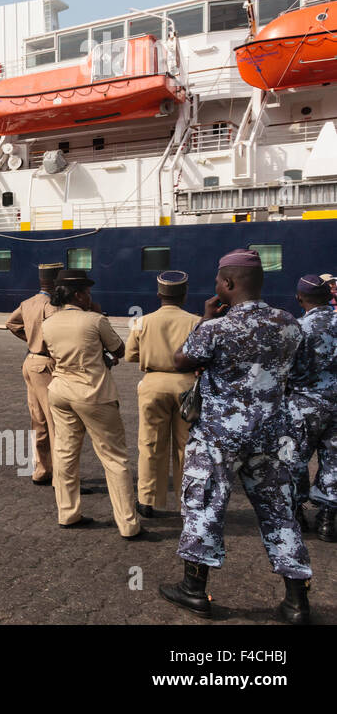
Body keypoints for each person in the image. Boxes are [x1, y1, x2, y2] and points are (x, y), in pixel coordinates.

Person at [159, 248, 311, 624]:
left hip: (218, 437)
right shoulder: (290, 322)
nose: (216, 287)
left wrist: (206, 320)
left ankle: (194, 592)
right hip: (272, 436)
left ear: (227, 284)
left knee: (206, 505)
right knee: (279, 512)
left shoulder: (216, 327)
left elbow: (181, 360)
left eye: (217, 282)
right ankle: (296, 602)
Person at [41, 268, 143, 538]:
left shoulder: (48, 322)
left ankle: (68, 513)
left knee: (64, 452)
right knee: (114, 457)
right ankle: (128, 524)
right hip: (93, 394)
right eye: (87, 292)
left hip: (60, 391)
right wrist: (97, 315)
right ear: (79, 294)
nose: (90, 296)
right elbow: (120, 349)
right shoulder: (94, 320)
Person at [124, 271, 200, 517]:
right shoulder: (196, 321)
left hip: (153, 384)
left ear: (159, 294)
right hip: (186, 386)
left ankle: (147, 500)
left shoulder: (141, 322)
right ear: (185, 295)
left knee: (150, 443)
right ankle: (185, 501)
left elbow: (129, 355)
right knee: (186, 446)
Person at [287, 274, 337, 543]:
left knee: (295, 458)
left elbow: (287, 370)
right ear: (329, 296)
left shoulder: (298, 328)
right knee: (335, 461)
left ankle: (295, 513)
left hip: (303, 405)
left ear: (299, 298)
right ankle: (328, 520)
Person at [7, 263, 63, 486]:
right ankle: (62, 476)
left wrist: (31, 339)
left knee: (38, 420)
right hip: (47, 365)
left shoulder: (27, 303)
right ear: (56, 282)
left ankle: (41, 470)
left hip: (29, 361)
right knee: (56, 422)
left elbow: (11, 323)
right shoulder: (54, 307)